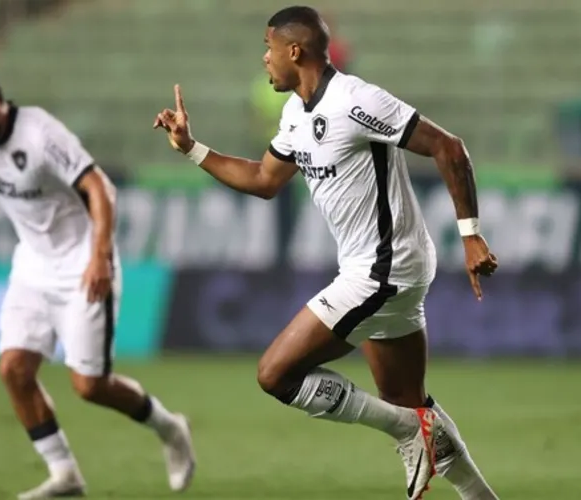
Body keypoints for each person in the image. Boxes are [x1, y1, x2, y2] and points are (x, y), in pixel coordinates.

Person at [153, 6, 499, 500]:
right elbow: (263, 179)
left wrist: (470, 234)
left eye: (269, 48)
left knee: (275, 374)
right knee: (410, 404)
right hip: (382, 268)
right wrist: (191, 148)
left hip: (384, 269)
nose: (264, 58)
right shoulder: (295, 113)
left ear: (295, 50)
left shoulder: (355, 99)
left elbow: (449, 148)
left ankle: (405, 432)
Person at [0, 61, 196, 499]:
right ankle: (64, 474)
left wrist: (100, 257)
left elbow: (100, 189)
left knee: (90, 386)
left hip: (82, 264)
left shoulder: (40, 134)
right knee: (14, 368)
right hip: (32, 266)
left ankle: (170, 428)